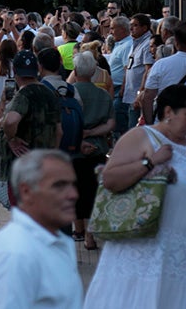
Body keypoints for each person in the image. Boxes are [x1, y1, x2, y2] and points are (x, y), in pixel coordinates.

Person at [83, 84, 186, 308]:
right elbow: (110, 179)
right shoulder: (142, 137)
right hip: (150, 252)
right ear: (169, 112)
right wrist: (150, 162)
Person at [0, 149, 82, 309]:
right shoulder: (16, 254)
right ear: (26, 191)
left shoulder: (58, 240)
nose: (73, 194)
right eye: (59, 185)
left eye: (73, 184)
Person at [0, 50, 61, 206]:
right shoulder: (50, 94)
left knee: (23, 213)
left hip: (22, 166)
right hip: (43, 164)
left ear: (15, 72)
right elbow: (59, 132)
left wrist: (11, 139)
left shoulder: (23, 95)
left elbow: (9, 121)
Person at [69, 50, 114, 251]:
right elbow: (111, 124)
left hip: (73, 150)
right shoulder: (103, 95)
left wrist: (80, 135)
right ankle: (90, 235)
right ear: (95, 71)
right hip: (98, 149)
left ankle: (78, 229)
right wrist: (93, 132)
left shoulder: (69, 92)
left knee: (75, 190)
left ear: (76, 70)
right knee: (94, 192)